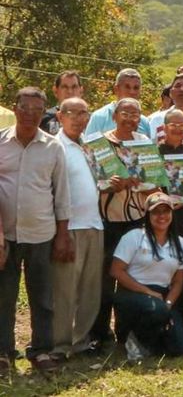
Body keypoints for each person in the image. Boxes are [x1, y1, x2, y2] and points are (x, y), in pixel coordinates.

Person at [0, 87, 71, 373]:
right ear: (15, 108)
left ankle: (41, 351)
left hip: (42, 233)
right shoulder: (0, 144)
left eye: (36, 110)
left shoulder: (54, 147)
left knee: (42, 296)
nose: (30, 114)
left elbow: (61, 194)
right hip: (5, 236)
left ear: (44, 114)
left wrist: (63, 235)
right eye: (25, 107)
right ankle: (3, 353)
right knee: (4, 296)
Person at [91, 97, 153, 350]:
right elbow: (90, 181)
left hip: (137, 219)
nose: (129, 118)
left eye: (134, 113)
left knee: (133, 276)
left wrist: (141, 184)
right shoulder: (99, 144)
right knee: (105, 279)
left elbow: (155, 183)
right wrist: (108, 186)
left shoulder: (144, 143)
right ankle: (99, 334)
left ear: (140, 118)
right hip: (108, 220)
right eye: (124, 113)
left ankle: (127, 332)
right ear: (114, 115)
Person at [51, 96, 104, 360]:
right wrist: (61, 233)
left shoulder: (88, 145)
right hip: (69, 228)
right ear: (60, 116)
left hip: (94, 223)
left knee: (89, 289)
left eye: (85, 113)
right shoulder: (54, 146)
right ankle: (60, 345)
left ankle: (80, 341)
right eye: (74, 113)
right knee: (65, 290)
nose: (81, 118)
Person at [111, 192, 183, 359]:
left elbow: (178, 280)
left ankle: (148, 344)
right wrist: (147, 292)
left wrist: (168, 303)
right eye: (156, 212)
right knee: (157, 309)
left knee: (182, 347)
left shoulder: (180, 242)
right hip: (132, 293)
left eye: (166, 211)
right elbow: (116, 270)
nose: (161, 216)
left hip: (163, 296)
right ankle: (132, 339)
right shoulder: (134, 237)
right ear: (147, 215)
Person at [84, 68, 153, 139]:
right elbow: (89, 147)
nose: (132, 92)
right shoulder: (99, 117)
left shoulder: (144, 122)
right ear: (116, 89)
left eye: (136, 88)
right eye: (127, 87)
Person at [40, 70, 83, 136]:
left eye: (74, 87)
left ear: (81, 91)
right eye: (64, 87)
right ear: (55, 91)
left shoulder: (92, 120)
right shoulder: (43, 119)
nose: (70, 92)